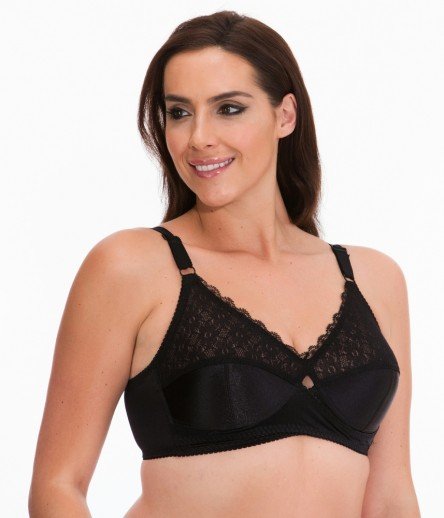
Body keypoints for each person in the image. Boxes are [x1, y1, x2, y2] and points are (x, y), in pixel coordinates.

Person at [28, 10, 420, 517]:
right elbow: (58, 486)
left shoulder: (373, 278)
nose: (199, 138)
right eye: (179, 112)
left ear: (285, 116)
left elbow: (390, 497)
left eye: (228, 108)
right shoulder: (134, 268)